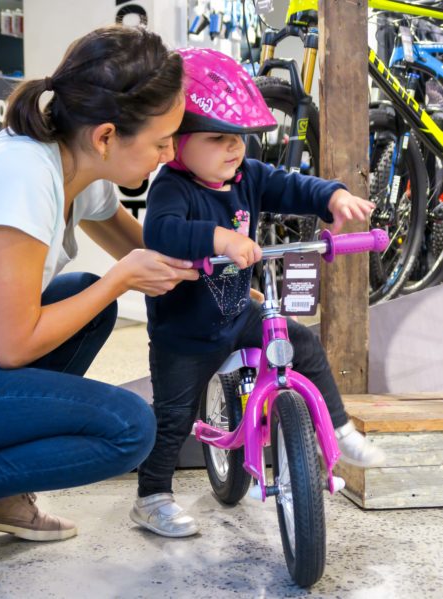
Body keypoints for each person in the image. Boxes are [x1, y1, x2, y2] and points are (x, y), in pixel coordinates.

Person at [130, 48, 385, 538]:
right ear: (176, 144)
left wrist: (332, 195)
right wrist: (218, 238)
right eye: (218, 138)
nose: (233, 149)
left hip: (234, 313)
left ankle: (341, 427)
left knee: (303, 344)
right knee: (172, 417)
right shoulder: (173, 189)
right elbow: (159, 233)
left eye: (240, 139)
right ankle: (152, 495)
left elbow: (290, 185)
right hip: (184, 332)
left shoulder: (246, 176)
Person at [0, 25, 200, 543]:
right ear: (106, 136)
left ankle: (2, 494)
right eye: (161, 140)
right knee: (128, 427)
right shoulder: (23, 175)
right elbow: (14, 346)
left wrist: (223, 279)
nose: (169, 153)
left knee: (85, 297)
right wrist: (121, 279)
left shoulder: (75, 168)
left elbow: (148, 251)